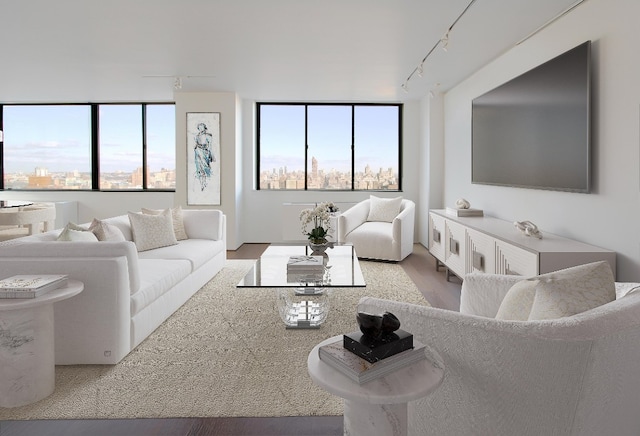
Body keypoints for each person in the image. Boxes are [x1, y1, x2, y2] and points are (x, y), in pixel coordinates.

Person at [194, 122, 216, 191]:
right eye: (199, 127)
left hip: (205, 153)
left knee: (206, 168)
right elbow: (195, 145)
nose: (200, 128)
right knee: (199, 169)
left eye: (202, 127)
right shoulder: (196, 136)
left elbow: (210, 147)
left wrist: (212, 155)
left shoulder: (208, 136)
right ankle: (202, 184)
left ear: (204, 128)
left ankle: (206, 183)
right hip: (198, 153)